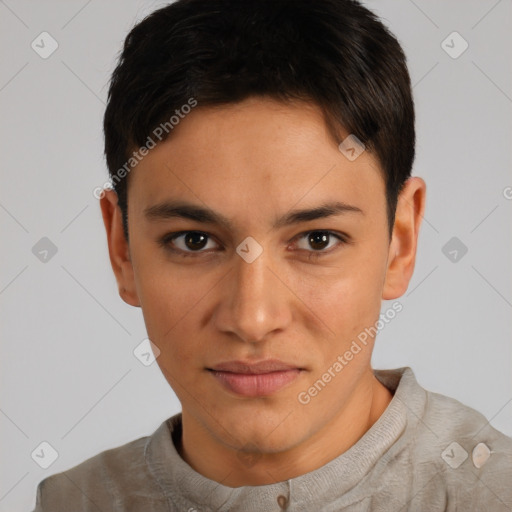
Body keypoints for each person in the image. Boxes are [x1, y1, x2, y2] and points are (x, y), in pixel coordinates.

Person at [33, 0, 512, 510]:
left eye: (317, 240)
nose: (253, 319)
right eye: (194, 240)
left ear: (401, 241)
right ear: (121, 249)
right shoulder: (74, 501)